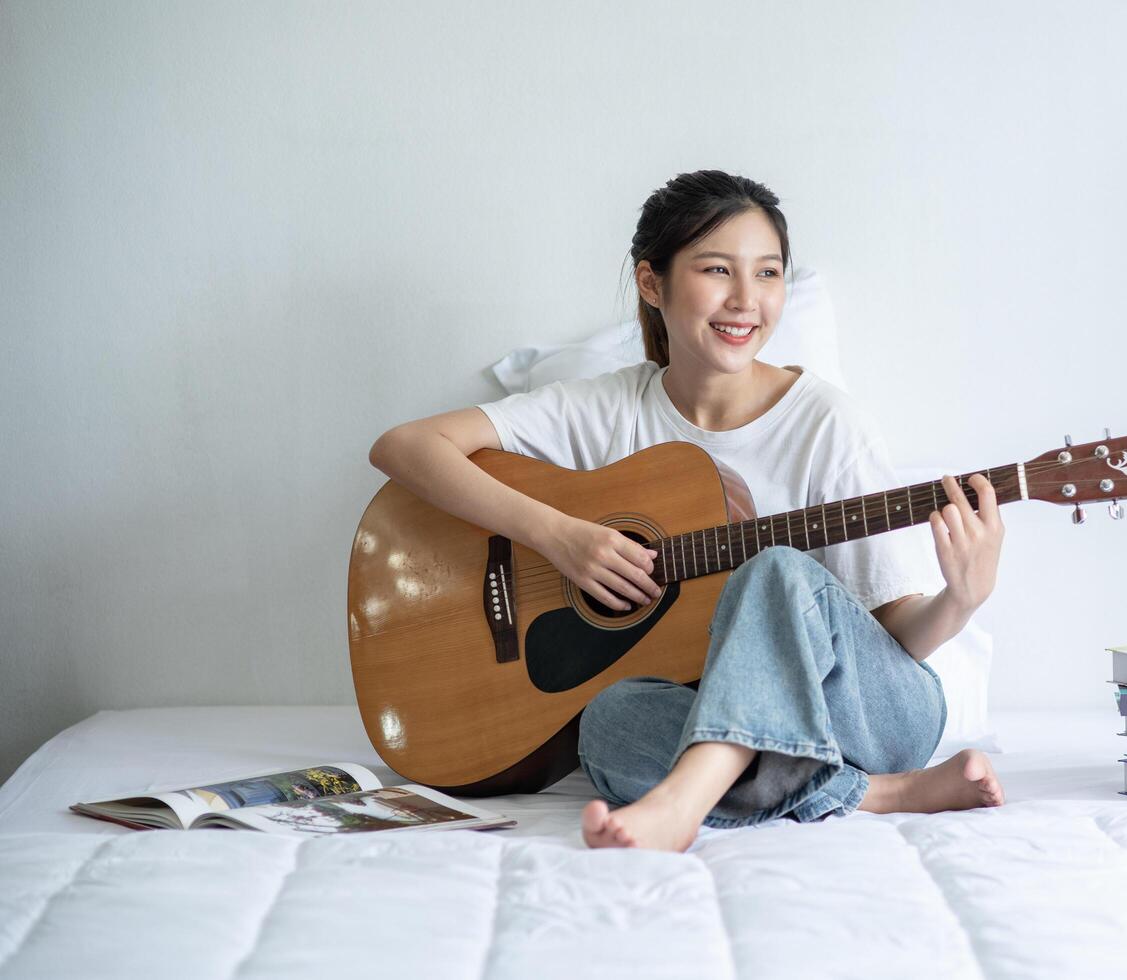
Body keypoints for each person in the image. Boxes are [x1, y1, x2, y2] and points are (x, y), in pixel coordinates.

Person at [368, 169, 1005, 853]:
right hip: (735, 722)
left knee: (777, 571)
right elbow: (404, 447)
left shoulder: (825, 423)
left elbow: (891, 636)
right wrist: (555, 535)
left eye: (767, 274)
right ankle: (879, 796)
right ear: (651, 283)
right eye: (716, 270)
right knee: (607, 722)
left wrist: (960, 602)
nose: (746, 300)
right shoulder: (607, 407)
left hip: (867, 715)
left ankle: (684, 801)